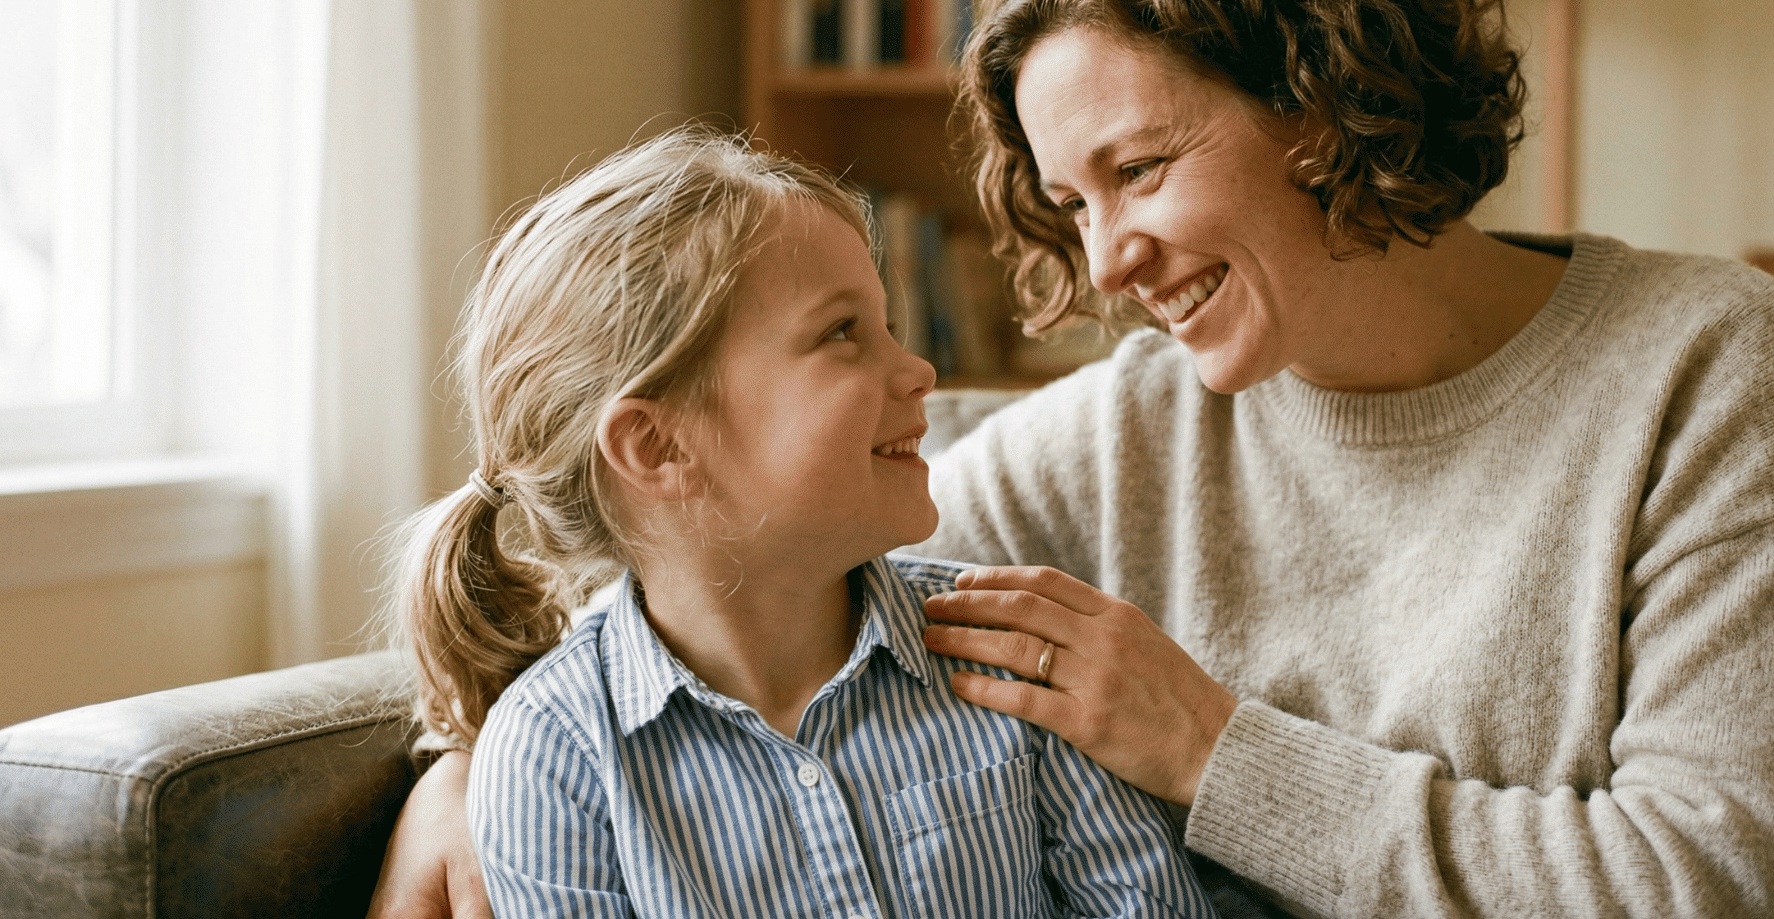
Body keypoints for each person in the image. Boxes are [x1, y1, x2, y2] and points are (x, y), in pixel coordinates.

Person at [371, 0, 1774, 919]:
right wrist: (477, 764)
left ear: (1324, 95)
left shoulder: (1706, 365)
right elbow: (725, 544)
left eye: (1141, 169)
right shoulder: (1100, 449)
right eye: (1069, 206)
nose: (1101, 267)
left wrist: (1214, 750)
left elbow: (1721, 889)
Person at [384, 130, 1219, 919]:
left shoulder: (1015, 655)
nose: (920, 370)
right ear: (658, 444)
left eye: (887, 324)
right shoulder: (553, 756)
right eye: (844, 332)